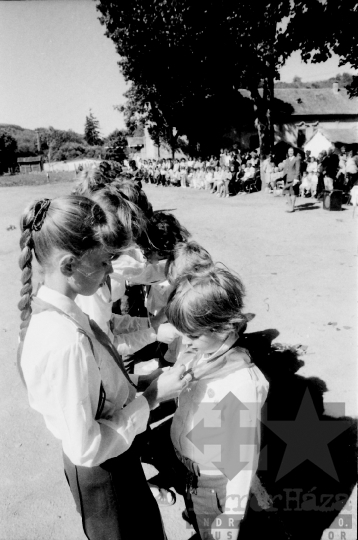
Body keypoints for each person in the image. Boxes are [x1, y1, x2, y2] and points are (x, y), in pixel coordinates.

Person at [18, 195, 193, 540]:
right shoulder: (64, 339)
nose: (111, 271)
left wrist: (139, 384)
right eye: (102, 262)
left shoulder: (62, 309)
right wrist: (152, 398)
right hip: (103, 471)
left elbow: (93, 384)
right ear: (69, 265)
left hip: (113, 456)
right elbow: (86, 444)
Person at [165, 268, 269, 540]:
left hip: (212, 484)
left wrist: (231, 518)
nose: (185, 342)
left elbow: (241, 463)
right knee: (200, 523)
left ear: (224, 328)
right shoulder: (204, 353)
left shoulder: (237, 382)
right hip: (190, 472)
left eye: (193, 335)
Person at [282, 147, 301, 212]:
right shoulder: (287, 160)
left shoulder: (296, 159)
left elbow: (297, 170)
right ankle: (290, 206)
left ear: (294, 152)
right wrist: (283, 176)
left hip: (293, 178)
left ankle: (292, 207)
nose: (290, 152)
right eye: (289, 151)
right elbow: (285, 169)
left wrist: (296, 179)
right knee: (286, 191)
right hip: (287, 178)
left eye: (291, 151)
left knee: (293, 192)